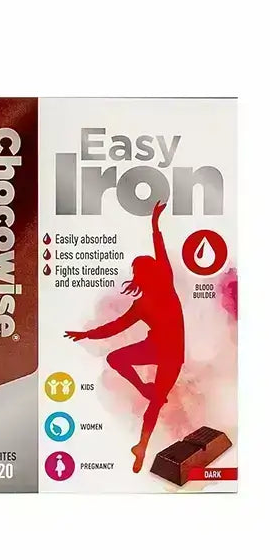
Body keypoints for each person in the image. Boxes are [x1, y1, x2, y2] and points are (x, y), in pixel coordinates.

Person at [65, 201, 184, 473]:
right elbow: (115, 327)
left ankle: (141, 446)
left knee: (149, 395)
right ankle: (142, 423)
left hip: (166, 352)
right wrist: (87, 334)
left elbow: (160, 252)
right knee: (128, 372)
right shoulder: (158, 291)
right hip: (165, 350)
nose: (135, 275)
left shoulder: (153, 294)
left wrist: (155, 225)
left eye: (137, 272)